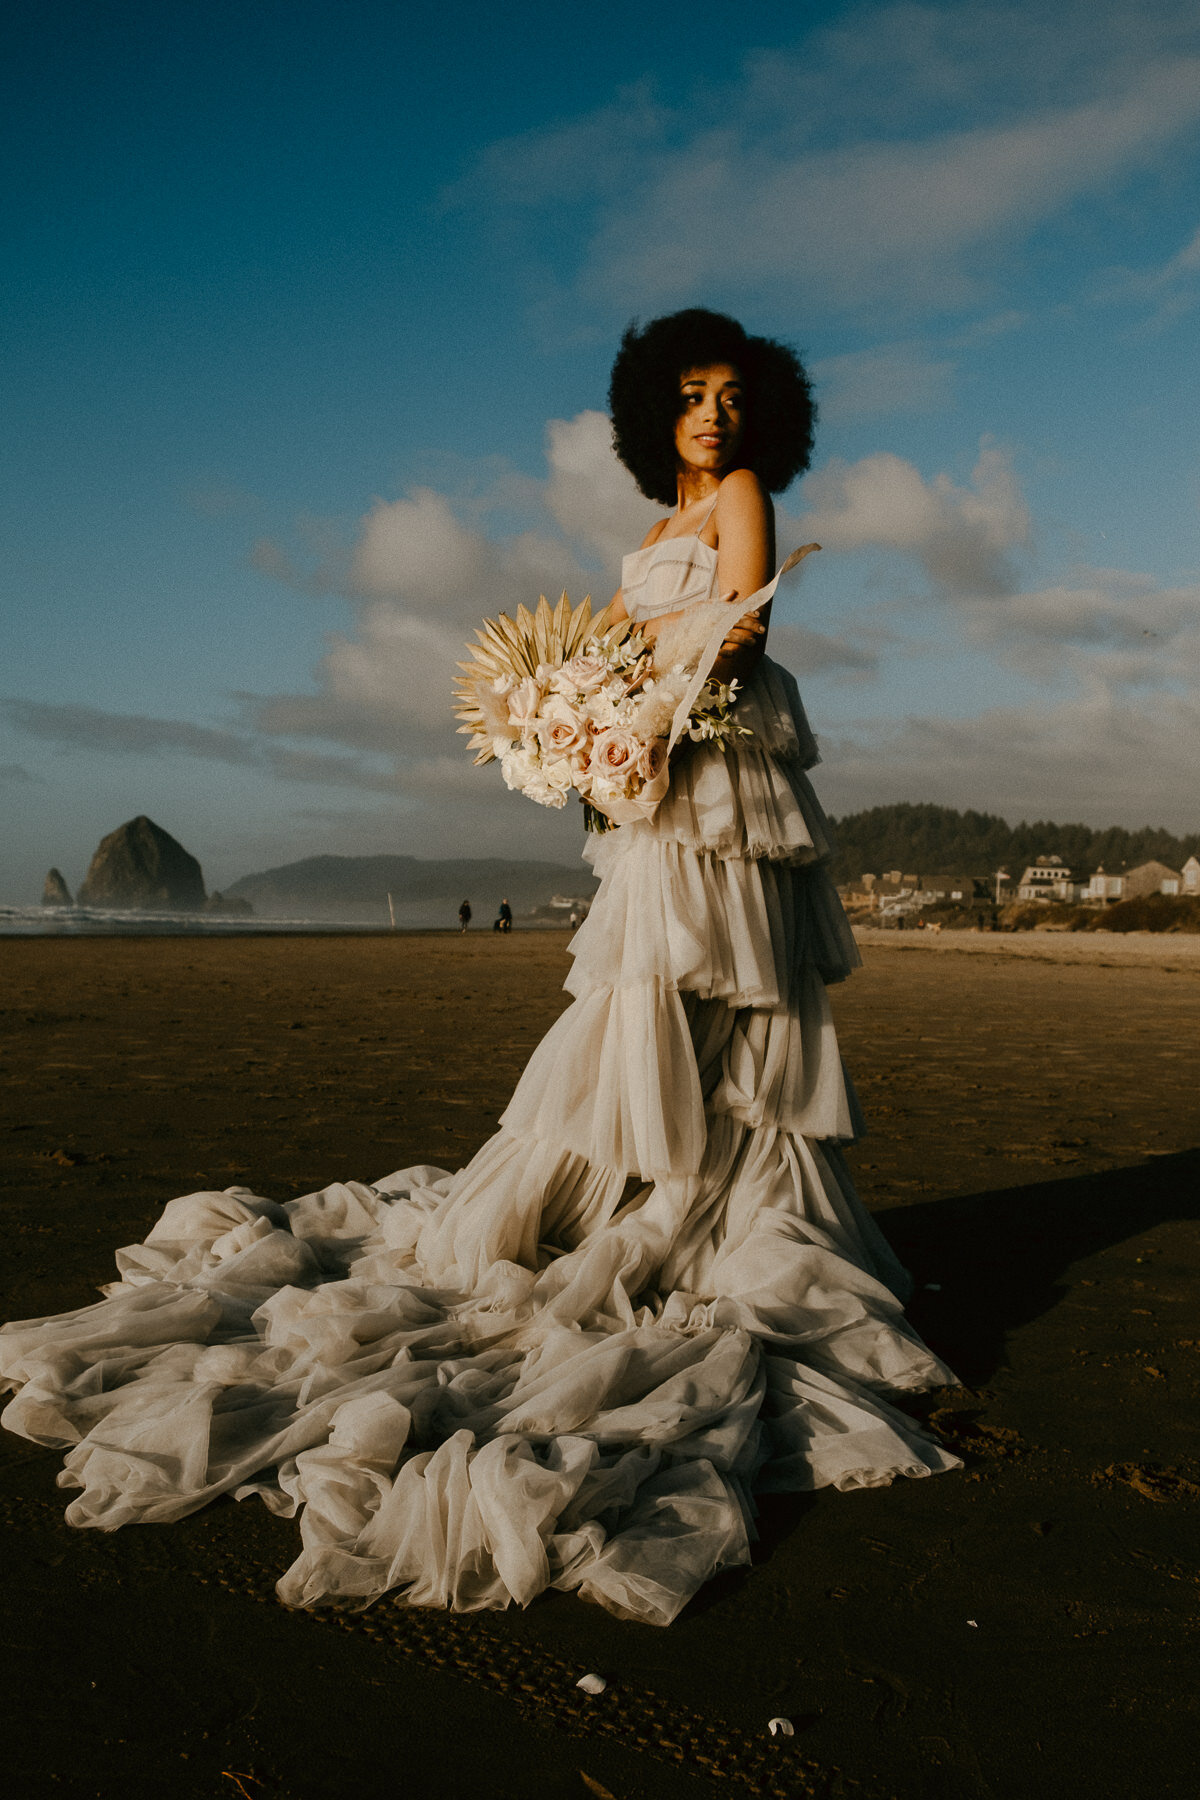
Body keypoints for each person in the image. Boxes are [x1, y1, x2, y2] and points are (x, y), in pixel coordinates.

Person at [0, 308, 957, 1629]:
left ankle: (719, 1206)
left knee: (726, 999)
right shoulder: (647, 539)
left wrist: (646, 716)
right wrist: (566, 716)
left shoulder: (740, 498)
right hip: (654, 780)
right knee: (649, 994)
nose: (715, 414)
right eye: (690, 393)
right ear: (652, 411)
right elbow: (609, 643)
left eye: (734, 394)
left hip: (716, 766)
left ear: (762, 417)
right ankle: (649, 1188)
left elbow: (737, 629)